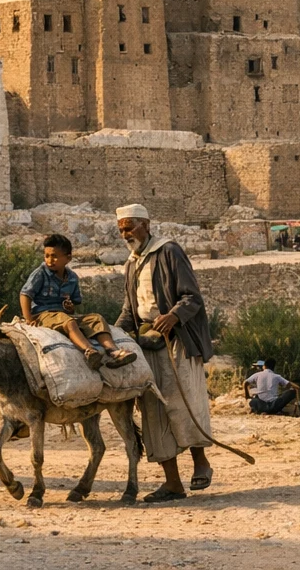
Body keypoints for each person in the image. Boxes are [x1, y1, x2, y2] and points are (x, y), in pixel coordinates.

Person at [114, 204, 214, 502]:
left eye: (129, 227)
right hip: (147, 342)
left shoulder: (169, 251)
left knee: (184, 402)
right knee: (152, 411)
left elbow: (191, 296)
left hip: (177, 340)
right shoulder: (132, 262)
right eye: (121, 230)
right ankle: (173, 483)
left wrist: (173, 315)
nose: (125, 234)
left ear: (146, 224)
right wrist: (112, 334)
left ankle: (201, 464)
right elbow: (129, 310)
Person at [19, 233, 135, 370]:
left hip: (62, 314)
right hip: (43, 314)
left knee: (96, 319)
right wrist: (28, 318)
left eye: (55, 256)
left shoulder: (72, 278)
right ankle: (89, 351)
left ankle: (114, 351)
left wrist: (69, 307)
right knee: (69, 322)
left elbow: (73, 305)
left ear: (68, 258)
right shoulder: (40, 273)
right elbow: (25, 294)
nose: (50, 260)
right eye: (47, 256)